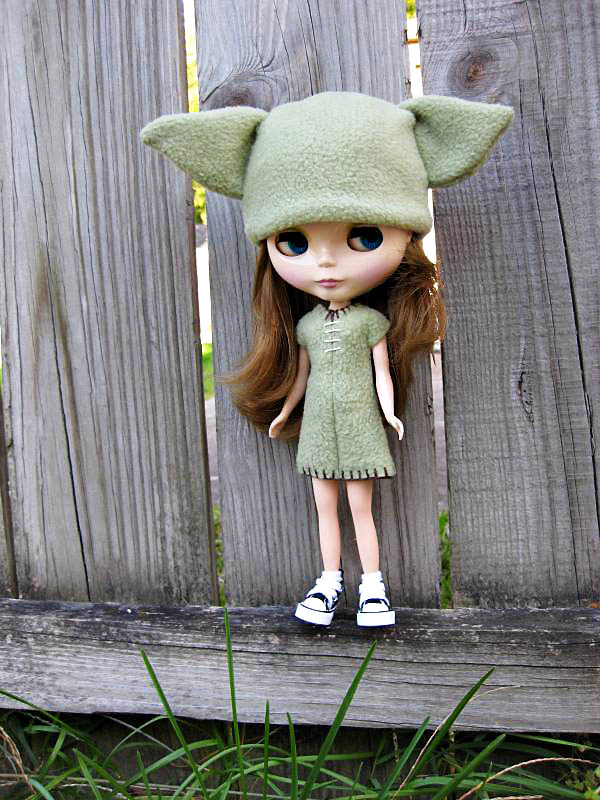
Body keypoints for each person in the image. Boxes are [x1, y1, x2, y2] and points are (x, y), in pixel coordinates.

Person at [140, 90, 514, 627]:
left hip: (360, 426)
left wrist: (389, 414)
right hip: (318, 427)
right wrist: (285, 411)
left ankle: (373, 587)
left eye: (363, 236)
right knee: (324, 506)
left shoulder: (370, 323)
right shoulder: (307, 327)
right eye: (294, 242)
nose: (326, 264)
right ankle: (329, 581)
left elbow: (381, 373)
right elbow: (301, 375)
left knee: (360, 507)